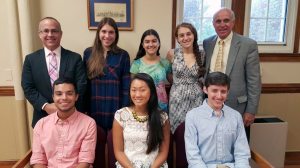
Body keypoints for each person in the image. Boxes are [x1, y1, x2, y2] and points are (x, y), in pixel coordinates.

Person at [21, 17, 87, 128]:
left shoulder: (75, 58)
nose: (50, 34)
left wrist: (66, 106)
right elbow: (28, 87)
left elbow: (81, 85)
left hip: (72, 117)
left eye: (54, 31)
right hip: (43, 117)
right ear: (39, 34)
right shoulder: (30, 60)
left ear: (61, 34)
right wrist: (46, 106)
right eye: (46, 31)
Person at [83, 17, 130, 167]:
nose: (107, 36)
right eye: (104, 31)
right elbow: (84, 85)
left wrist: (123, 112)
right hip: (93, 108)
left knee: (115, 148)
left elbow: (126, 87)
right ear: (98, 33)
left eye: (111, 32)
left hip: (115, 108)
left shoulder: (123, 55)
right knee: (95, 147)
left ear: (116, 34)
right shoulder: (88, 53)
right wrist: (84, 111)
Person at [203, 8, 261, 129]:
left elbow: (254, 80)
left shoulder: (248, 45)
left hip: (237, 107)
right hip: (210, 105)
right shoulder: (207, 43)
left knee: (236, 145)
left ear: (233, 23)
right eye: (218, 21)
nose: (222, 24)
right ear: (213, 24)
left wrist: (251, 110)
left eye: (226, 20)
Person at [185, 72, 250, 168]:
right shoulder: (192, 116)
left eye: (223, 91)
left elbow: (242, 153)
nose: (219, 96)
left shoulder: (236, 116)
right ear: (205, 90)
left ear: (228, 92)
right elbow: (193, 155)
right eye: (214, 91)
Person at [30, 77, 97, 168]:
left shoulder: (88, 123)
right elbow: (38, 160)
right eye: (59, 94)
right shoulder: (41, 124)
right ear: (53, 97)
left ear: (76, 96)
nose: (64, 98)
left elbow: (85, 161)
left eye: (69, 93)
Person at [113, 73, 170, 168]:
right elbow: (119, 151)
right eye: (134, 90)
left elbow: (163, 152)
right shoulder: (121, 115)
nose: (137, 95)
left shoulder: (162, 117)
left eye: (142, 90)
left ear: (151, 92)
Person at [167, 23, 206, 133]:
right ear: (177, 39)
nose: (185, 38)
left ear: (194, 35)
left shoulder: (202, 54)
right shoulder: (172, 53)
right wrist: (177, 84)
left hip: (196, 98)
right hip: (177, 98)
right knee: (176, 131)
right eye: (181, 35)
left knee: (195, 130)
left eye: (188, 34)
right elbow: (168, 73)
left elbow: (203, 75)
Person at [130, 29, 172, 112]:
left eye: (154, 41)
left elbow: (173, 81)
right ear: (142, 44)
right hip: (143, 105)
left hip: (161, 105)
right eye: (147, 42)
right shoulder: (136, 64)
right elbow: (133, 87)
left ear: (158, 43)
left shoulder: (165, 63)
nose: (151, 44)